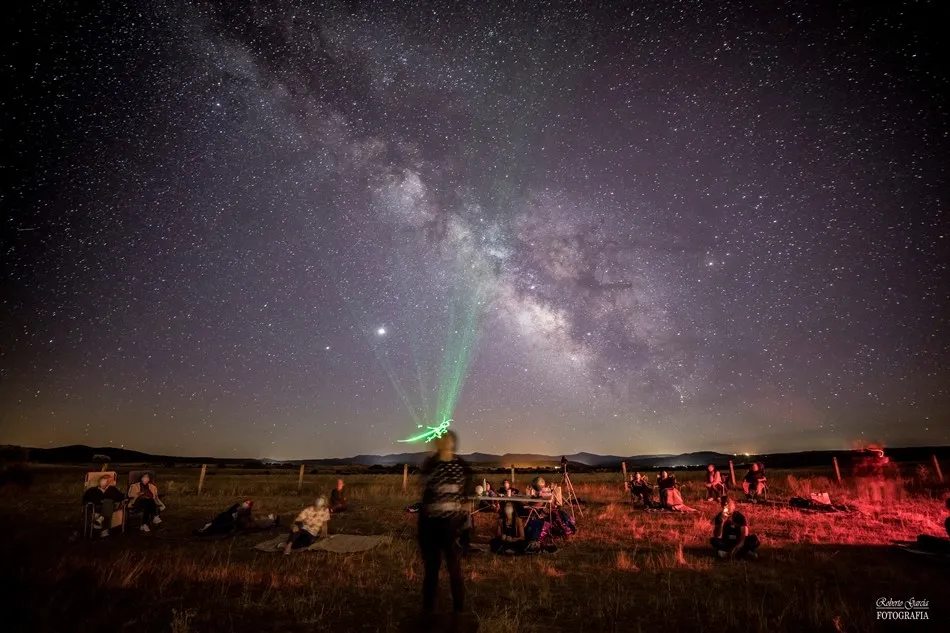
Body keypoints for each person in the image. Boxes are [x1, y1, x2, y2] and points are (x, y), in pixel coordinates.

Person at [418, 430, 473, 621]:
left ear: (451, 443)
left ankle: (458, 610)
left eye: (445, 440)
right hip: (431, 525)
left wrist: (464, 531)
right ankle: (428, 610)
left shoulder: (461, 466)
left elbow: (467, 500)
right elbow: (424, 496)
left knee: (454, 568)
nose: (441, 442)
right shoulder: (431, 465)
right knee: (431, 569)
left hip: (452, 527)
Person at [195, 499, 277, 535]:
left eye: (249, 504)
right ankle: (205, 529)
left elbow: (251, 521)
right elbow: (230, 513)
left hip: (244, 523)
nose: (247, 504)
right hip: (230, 520)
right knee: (219, 520)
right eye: (246, 502)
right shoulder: (238, 507)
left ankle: (272, 520)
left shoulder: (246, 511)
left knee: (261, 522)